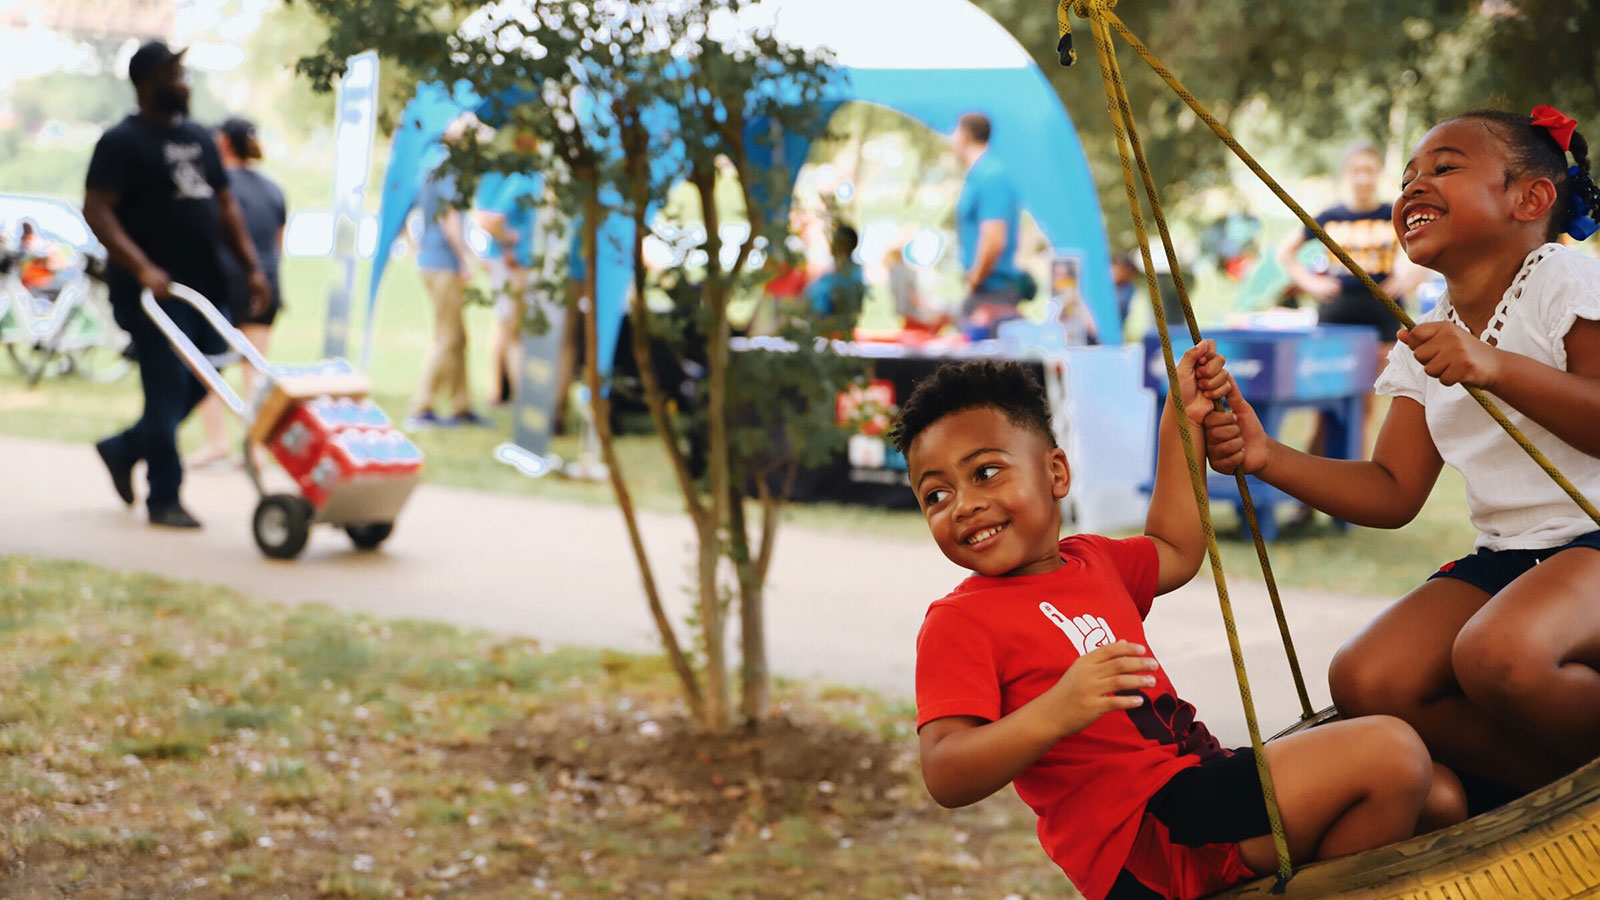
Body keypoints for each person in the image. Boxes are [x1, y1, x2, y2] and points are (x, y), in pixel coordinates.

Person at [898, 357, 1465, 900]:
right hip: (1144, 832)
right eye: (937, 495)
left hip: (1197, 790)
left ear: (1056, 472)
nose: (964, 505)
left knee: (1438, 797)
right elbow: (947, 772)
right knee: (1391, 756)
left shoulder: (1091, 560)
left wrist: (1182, 417)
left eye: (986, 472)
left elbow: (1175, 546)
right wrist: (1057, 709)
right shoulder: (959, 621)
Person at [1195, 106, 1600, 809]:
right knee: (1366, 679)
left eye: (1444, 168)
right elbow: (1392, 489)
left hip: (1591, 540)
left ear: (1530, 198)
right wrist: (1265, 457)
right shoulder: (1428, 334)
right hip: (1510, 559)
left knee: (1498, 653)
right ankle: (1543, 795)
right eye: (1407, 177)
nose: (1412, 187)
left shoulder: (1562, 277)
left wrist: (1496, 367)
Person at [84, 41, 269, 528]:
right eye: (174, 74)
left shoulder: (199, 138)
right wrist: (141, 265)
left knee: (207, 378)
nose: (184, 83)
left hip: (203, 285)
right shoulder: (120, 142)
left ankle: (125, 449)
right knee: (166, 389)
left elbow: (226, 207)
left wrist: (252, 267)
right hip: (151, 294)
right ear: (147, 81)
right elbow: (98, 210)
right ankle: (164, 497)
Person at [1278, 142, 1425, 452]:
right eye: (1357, 171)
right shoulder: (1330, 216)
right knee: (1323, 404)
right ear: (1347, 174)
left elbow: (1430, 251)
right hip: (1336, 317)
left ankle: (1353, 476)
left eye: (1369, 171)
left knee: (1364, 405)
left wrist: (1408, 277)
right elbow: (1285, 253)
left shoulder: (1393, 212)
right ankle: (1310, 486)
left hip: (1382, 319)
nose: (1363, 178)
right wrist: (1312, 284)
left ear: (1379, 174)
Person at [194, 116, 287, 468]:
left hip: (225, 282)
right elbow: (279, 246)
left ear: (223, 144)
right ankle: (257, 449)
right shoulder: (274, 188)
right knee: (256, 369)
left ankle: (217, 443)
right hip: (268, 281)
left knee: (206, 364)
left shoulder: (217, 187)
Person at [407, 130, 486, 429]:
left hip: (430, 260)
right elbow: (449, 217)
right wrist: (464, 258)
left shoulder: (430, 168)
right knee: (447, 337)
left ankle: (461, 404)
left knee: (457, 337)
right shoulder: (450, 173)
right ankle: (422, 406)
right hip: (443, 262)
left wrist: (415, 245)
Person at [951, 112, 1027, 335]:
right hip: (984, 293)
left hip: (993, 295)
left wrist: (975, 278)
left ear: (964, 136)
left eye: (953, 132)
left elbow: (994, 239)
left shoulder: (991, 176)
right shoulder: (978, 175)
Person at [473, 168, 540, 407]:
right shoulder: (522, 181)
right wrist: (510, 242)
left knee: (508, 327)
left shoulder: (532, 180)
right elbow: (489, 221)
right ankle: (510, 392)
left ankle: (502, 391)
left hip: (519, 265)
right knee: (510, 329)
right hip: (514, 266)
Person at [803, 223, 865, 326]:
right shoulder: (832, 272)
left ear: (848, 245)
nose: (833, 246)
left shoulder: (852, 275)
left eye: (838, 242)